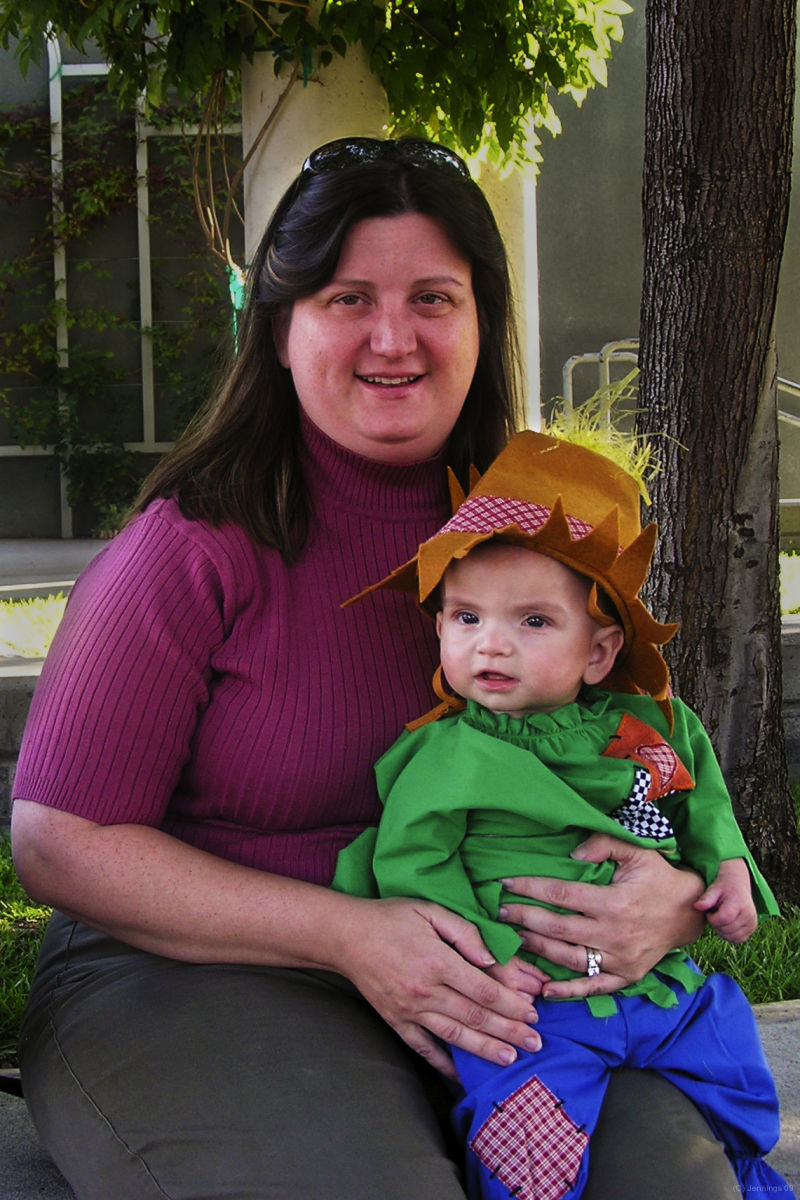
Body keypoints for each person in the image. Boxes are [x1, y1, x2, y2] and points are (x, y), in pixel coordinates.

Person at [10, 136, 740, 1200]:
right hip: (197, 970)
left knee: (665, 1190)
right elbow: (57, 841)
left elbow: (638, 755)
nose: (391, 338)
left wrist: (668, 893)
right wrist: (348, 934)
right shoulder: (193, 545)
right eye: (348, 298)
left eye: (432, 299)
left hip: (509, 983)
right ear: (282, 323)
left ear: (481, 321)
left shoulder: (545, 531)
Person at [333, 428, 792, 1199]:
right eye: (465, 617)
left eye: (534, 622)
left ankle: (746, 1168)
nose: (493, 646)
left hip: (654, 984)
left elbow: (702, 797)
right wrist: (488, 957)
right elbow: (412, 863)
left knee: (733, 1072)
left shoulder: (651, 725)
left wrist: (729, 872)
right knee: (528, 1136)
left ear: (600, 652)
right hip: (533, 1002)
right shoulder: (447, 755)